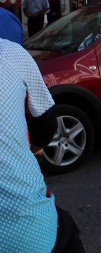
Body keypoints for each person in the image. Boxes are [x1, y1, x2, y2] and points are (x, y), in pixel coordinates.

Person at [0, 38, 85, 252]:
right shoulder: (10, 53)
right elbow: (47, 121)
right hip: (29, 230)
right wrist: (34, 152)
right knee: (64, 230)